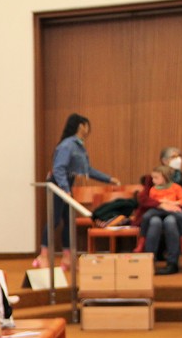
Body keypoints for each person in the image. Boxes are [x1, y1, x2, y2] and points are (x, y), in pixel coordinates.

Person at [37, 113, 120, 270]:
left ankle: (68, 258)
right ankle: (43, 255)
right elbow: (58, 169)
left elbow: (87, 170)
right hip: (58, 185)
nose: (88, 129)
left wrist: (108, 179)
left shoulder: (79, 146)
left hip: (67, 185)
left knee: (69, 222)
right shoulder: (67, 145)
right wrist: (65, 189)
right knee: (54, 220)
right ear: (81, 126)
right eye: (87, 125)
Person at [142, 165, 182, 275]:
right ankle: (149, 261)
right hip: (158, 212)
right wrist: (162, 204)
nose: (153, 180)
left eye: (156, 178)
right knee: (154, 221)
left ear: (165, 177)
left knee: (171, 221)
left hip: (172, 213)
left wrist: (173, 203)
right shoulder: (153, 189)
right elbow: (151, 202)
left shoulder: (176, 187)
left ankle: (172, 262)